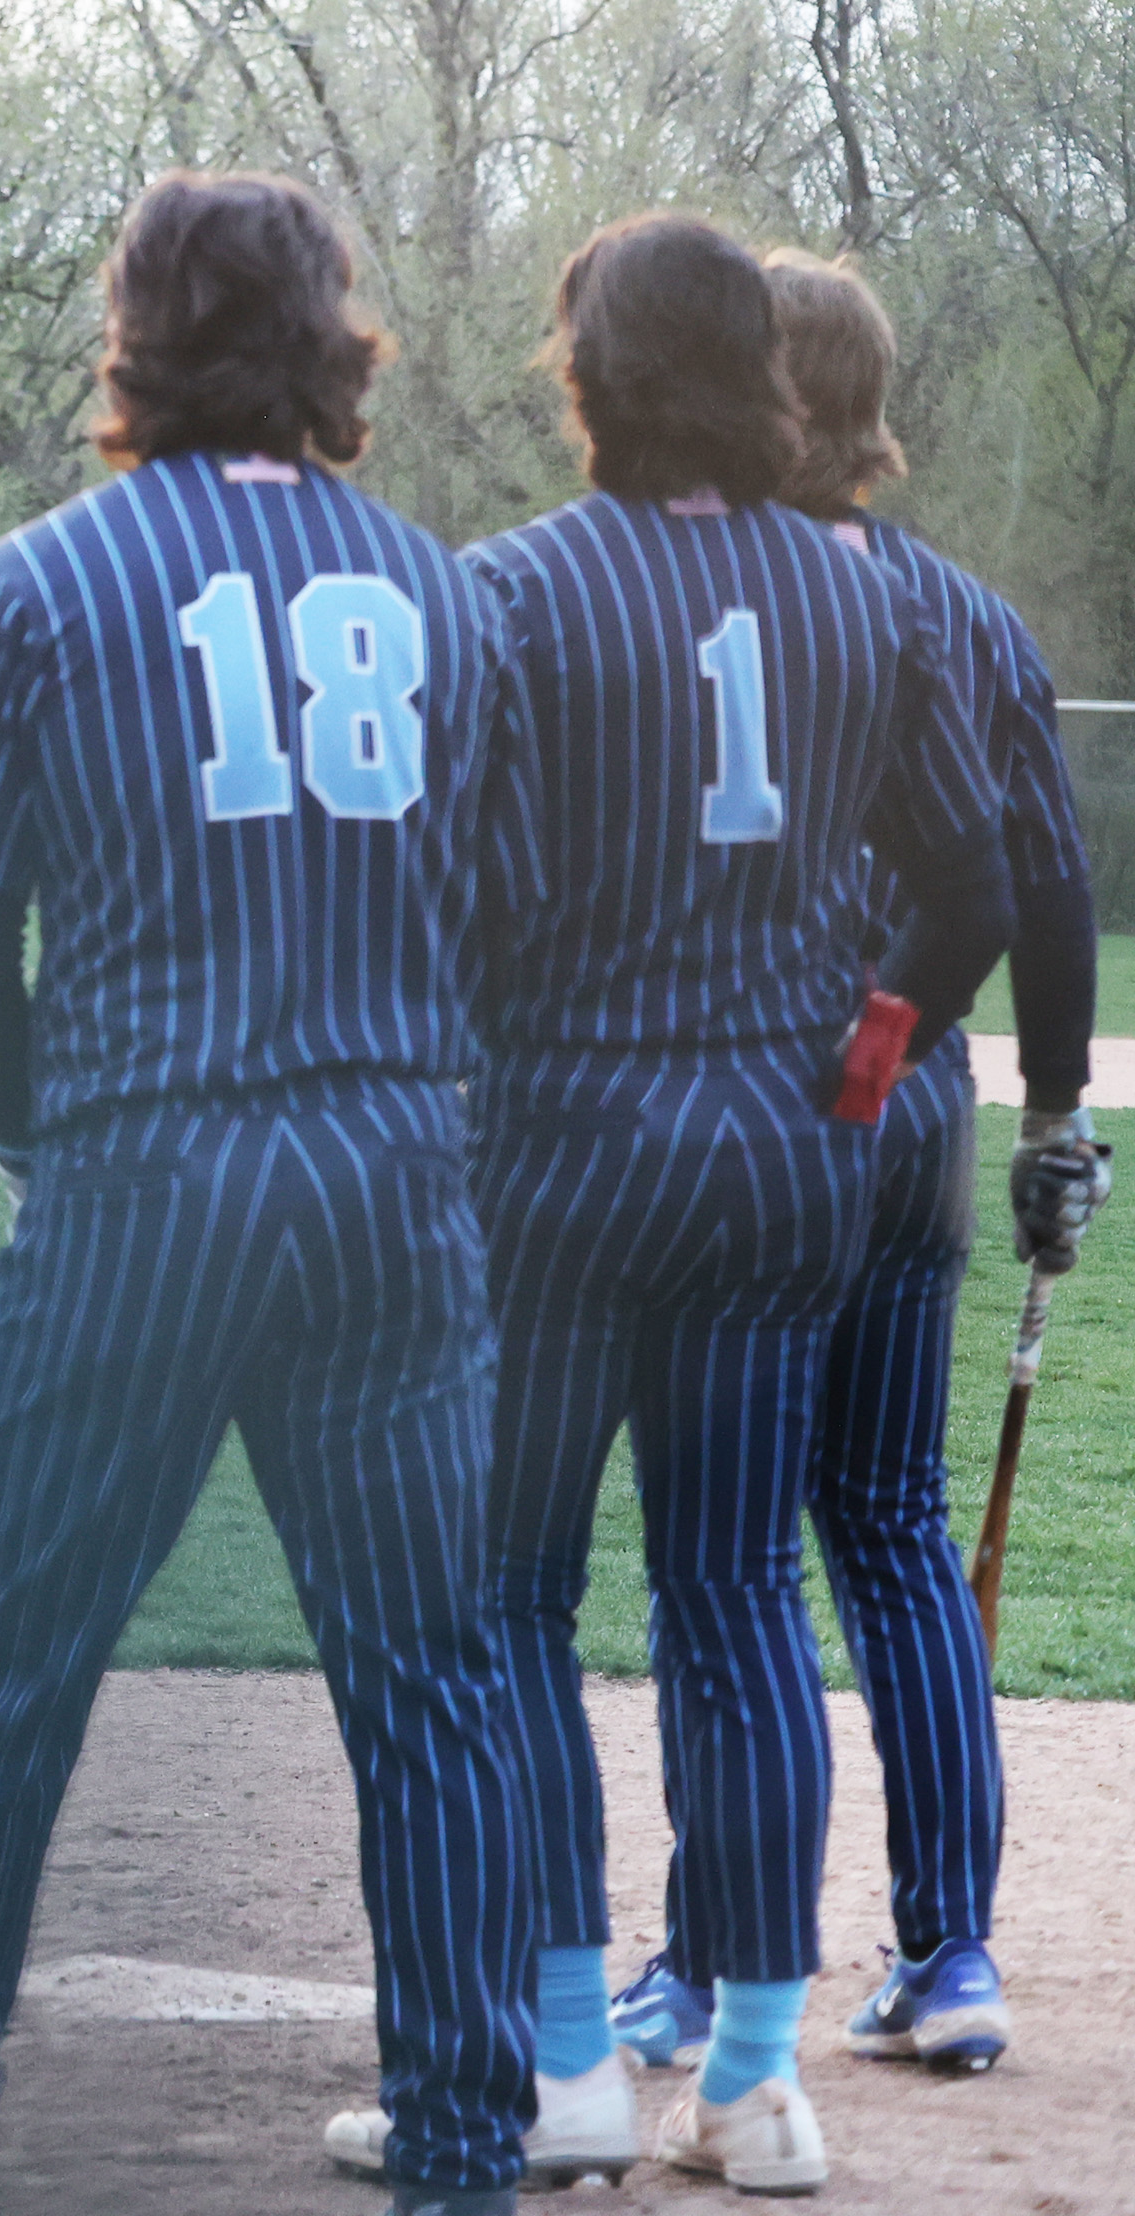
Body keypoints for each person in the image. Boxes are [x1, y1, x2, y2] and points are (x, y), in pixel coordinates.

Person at [0, 171, 544, 2216]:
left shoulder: (40, 584)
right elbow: (506, 933)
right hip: (388, 1174)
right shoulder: (445, 592)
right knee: (435, 1690)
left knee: (23, 1669)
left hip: (145, 1176)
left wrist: (38, 1146)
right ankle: (466, 2140)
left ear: (131, 336)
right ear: (330, 338)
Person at [453, 216, 1011, 2196]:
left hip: (560, 1156)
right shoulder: (875, 604)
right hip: (787, 1160)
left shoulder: (509, 593)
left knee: (509, 1602)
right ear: (760, 376)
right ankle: (759, 2084)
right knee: (740, 1595)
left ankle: (561, 2064)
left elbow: (448, 910)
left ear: (587, 374)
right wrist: (859, 1064)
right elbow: (976, 895)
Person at [604, 248, 1108, 2084]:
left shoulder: (689, 591)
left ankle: (702, 1967)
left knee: (721, 1561)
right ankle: (951, 1954)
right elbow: (1048, 895)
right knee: (892, 1527)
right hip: (914, 1115)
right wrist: (1054, 1117)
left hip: (764, 1108)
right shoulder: (967, 616)